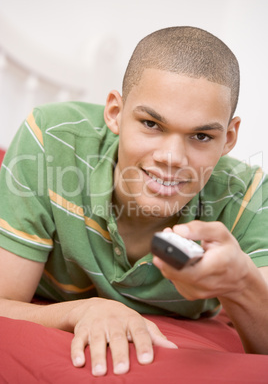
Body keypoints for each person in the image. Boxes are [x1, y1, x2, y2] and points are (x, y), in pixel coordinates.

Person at [0, 26, 267, 377]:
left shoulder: (247, 192)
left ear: (229, 137)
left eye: (201, 136)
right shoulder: (50, 140)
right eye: (151, 124)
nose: (172, 157)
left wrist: (242, 283)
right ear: (114, 112)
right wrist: (80, 310)